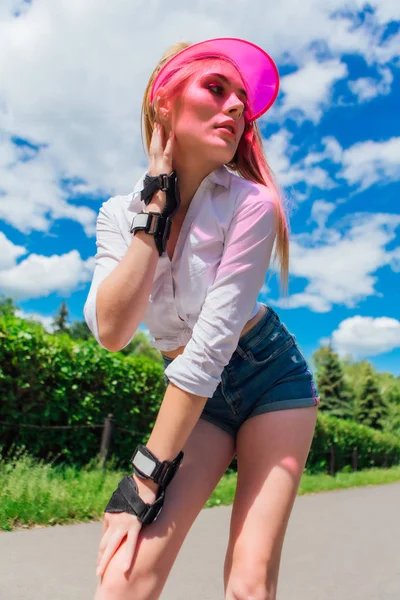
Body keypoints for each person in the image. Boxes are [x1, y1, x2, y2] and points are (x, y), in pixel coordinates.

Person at [84, 37, 320, 600]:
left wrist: (143, 479)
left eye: (242, 98)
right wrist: (155, 212)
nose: (237, 107)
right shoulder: (118, 214)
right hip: (197, 397)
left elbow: (211, 349)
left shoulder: (252, 204)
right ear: (165, 103)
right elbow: (113, 333)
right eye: (216, 90)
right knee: (123, 579)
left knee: (247, 582)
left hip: (271, 379)